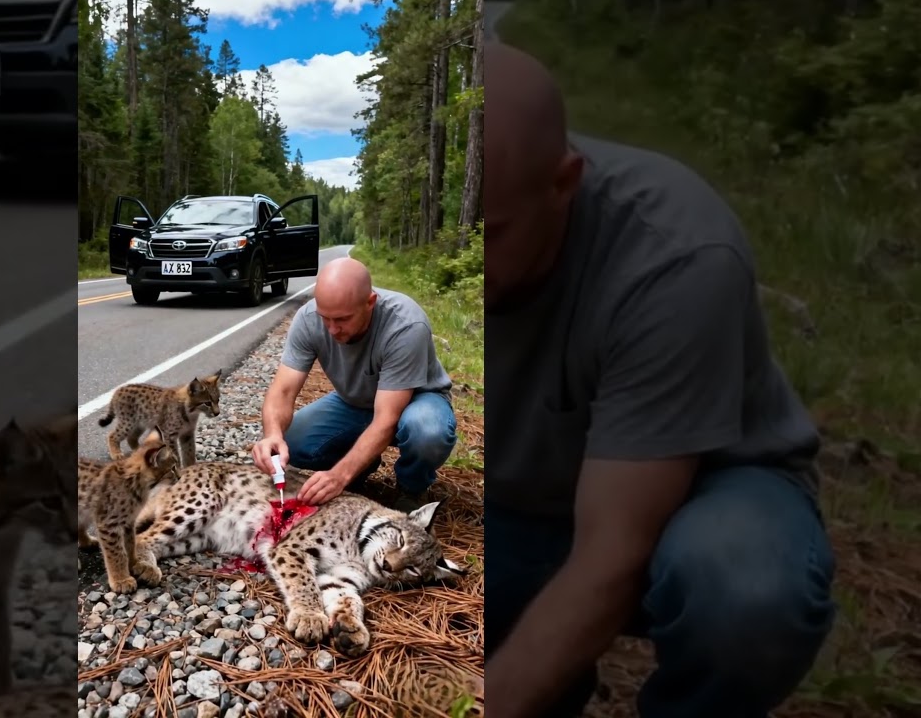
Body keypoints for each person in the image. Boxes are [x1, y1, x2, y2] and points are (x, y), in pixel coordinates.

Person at [480, 41, 838, 718]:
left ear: (564, 184)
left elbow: (614, 549)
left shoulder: (672, 256)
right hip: (523, 498)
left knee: (744, 591)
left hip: (699, 489)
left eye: (490, 233)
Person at [250, 256, 457, 511]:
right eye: (325, 318)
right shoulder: (308, 319)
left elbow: (386, 418)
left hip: (417, 399)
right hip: (356, 402)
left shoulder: (405, 324)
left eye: (342, 319)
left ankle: (412, 487)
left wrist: (339, 476)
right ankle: (362, 465)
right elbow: (282, 391)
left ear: (370, 303)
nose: (332, 329)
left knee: (426, 431)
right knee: (291, 438)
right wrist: (272, 434)